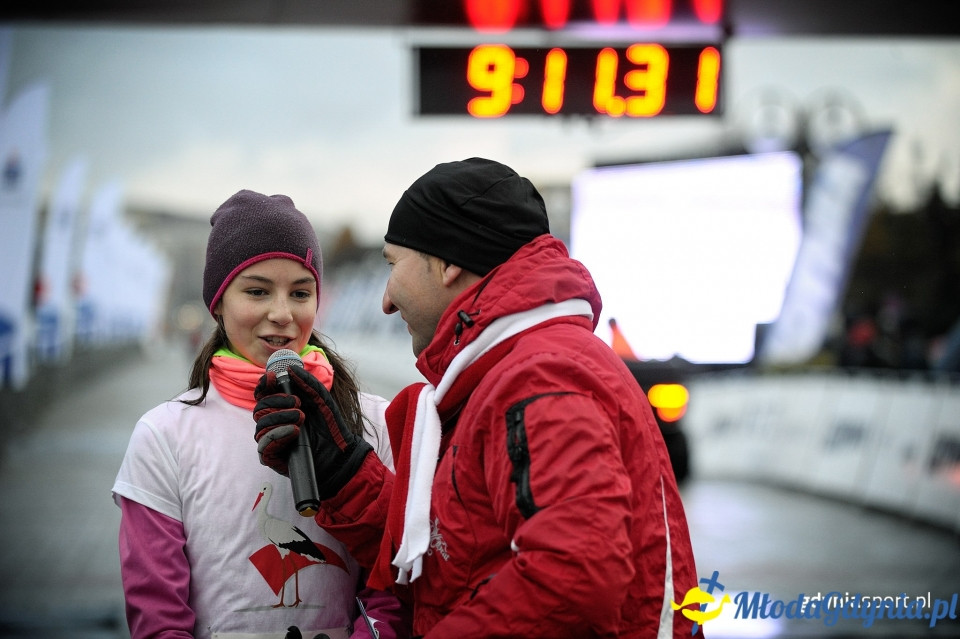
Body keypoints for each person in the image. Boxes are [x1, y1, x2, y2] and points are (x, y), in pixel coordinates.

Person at [253, 159, 705, 638]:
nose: (386, 299)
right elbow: (455, 560)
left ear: (448, 263)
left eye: (394, 264)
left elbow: (572, 583)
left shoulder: (542, 377)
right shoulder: (499, 371)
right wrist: (343, 475)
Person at [112, 190, 409, 639]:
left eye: (300, 292)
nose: (282, 313)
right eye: (257, 291)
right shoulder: (163, 436)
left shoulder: (376, 423)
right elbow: (158, 615)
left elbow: (394, 590)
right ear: (218, 303)